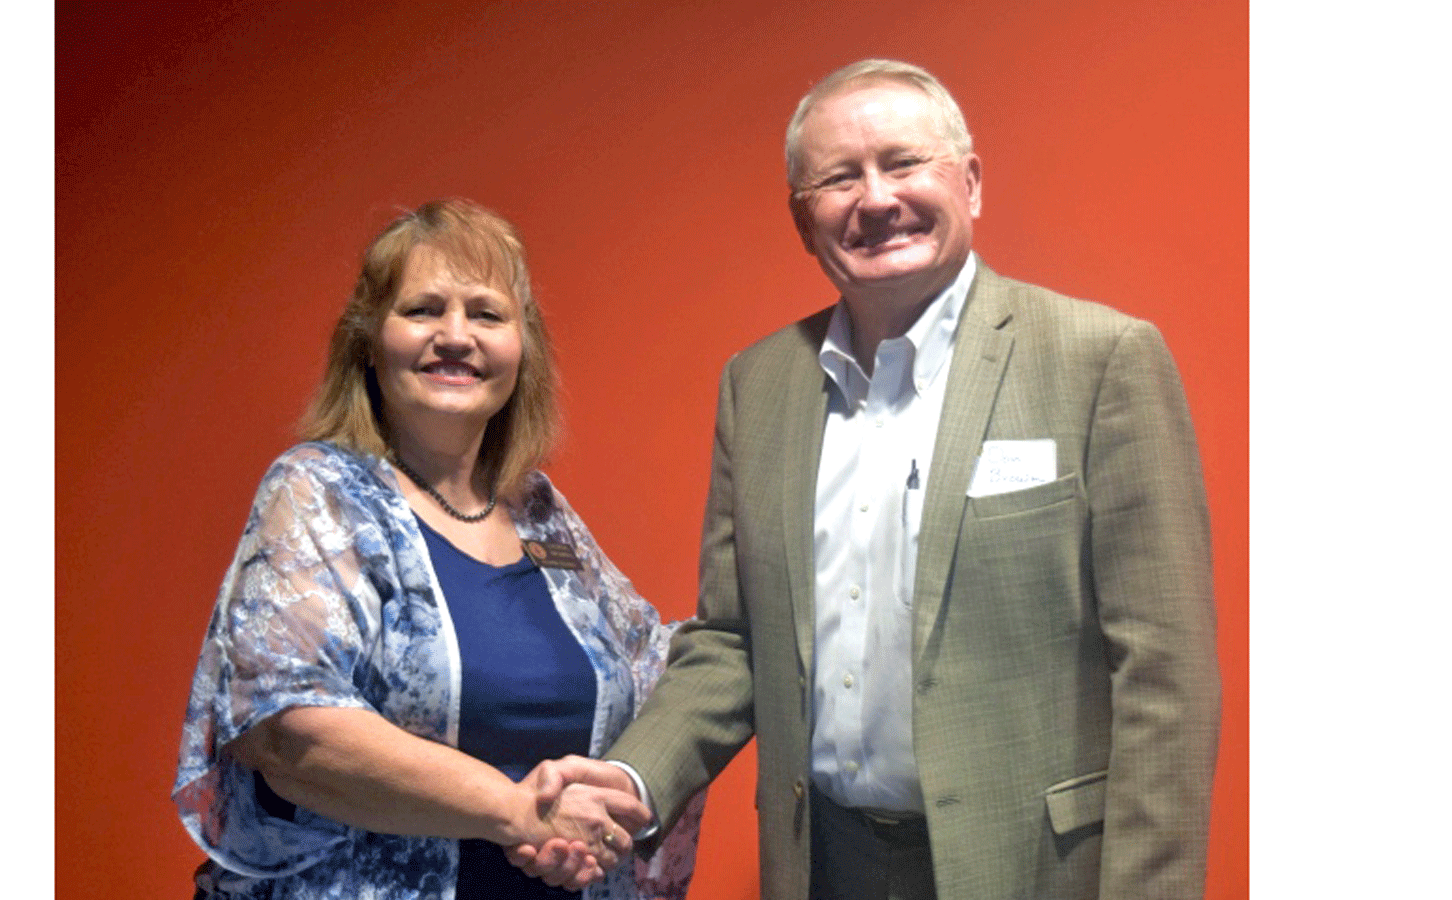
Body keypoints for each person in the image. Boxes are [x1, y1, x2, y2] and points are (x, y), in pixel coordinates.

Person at [517, 59, 1220, 900]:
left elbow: (1165, 676)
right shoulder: (760, 384)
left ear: (971, 181)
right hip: (823, 868)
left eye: (904, 162)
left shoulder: (1098, 360)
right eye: (839, 178)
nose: (876, 198)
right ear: (801, 219)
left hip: (1034, 870)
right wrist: (629, 781)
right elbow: (733, 641)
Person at [173, 198, 702, 900]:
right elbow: (286, 727)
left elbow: (655, 666)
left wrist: (767, 621)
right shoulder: (320, 492)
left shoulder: (541, 515)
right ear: (368, 340)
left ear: (523, 348)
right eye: (423, 310)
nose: (456, 337)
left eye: (486, 314)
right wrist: (519, 811)